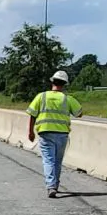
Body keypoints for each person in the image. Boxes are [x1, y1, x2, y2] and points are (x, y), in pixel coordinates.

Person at [27, 68, 84, 198]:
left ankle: (51, 186)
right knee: (57, 161)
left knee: (48, 160)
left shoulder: (41, 96)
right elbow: (79, 113)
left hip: (45, 132)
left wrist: (30, 132)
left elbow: (32, 114)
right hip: (62, 134)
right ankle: (55, 185)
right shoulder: (67, 99)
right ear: (64, 84)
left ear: (52, 81)